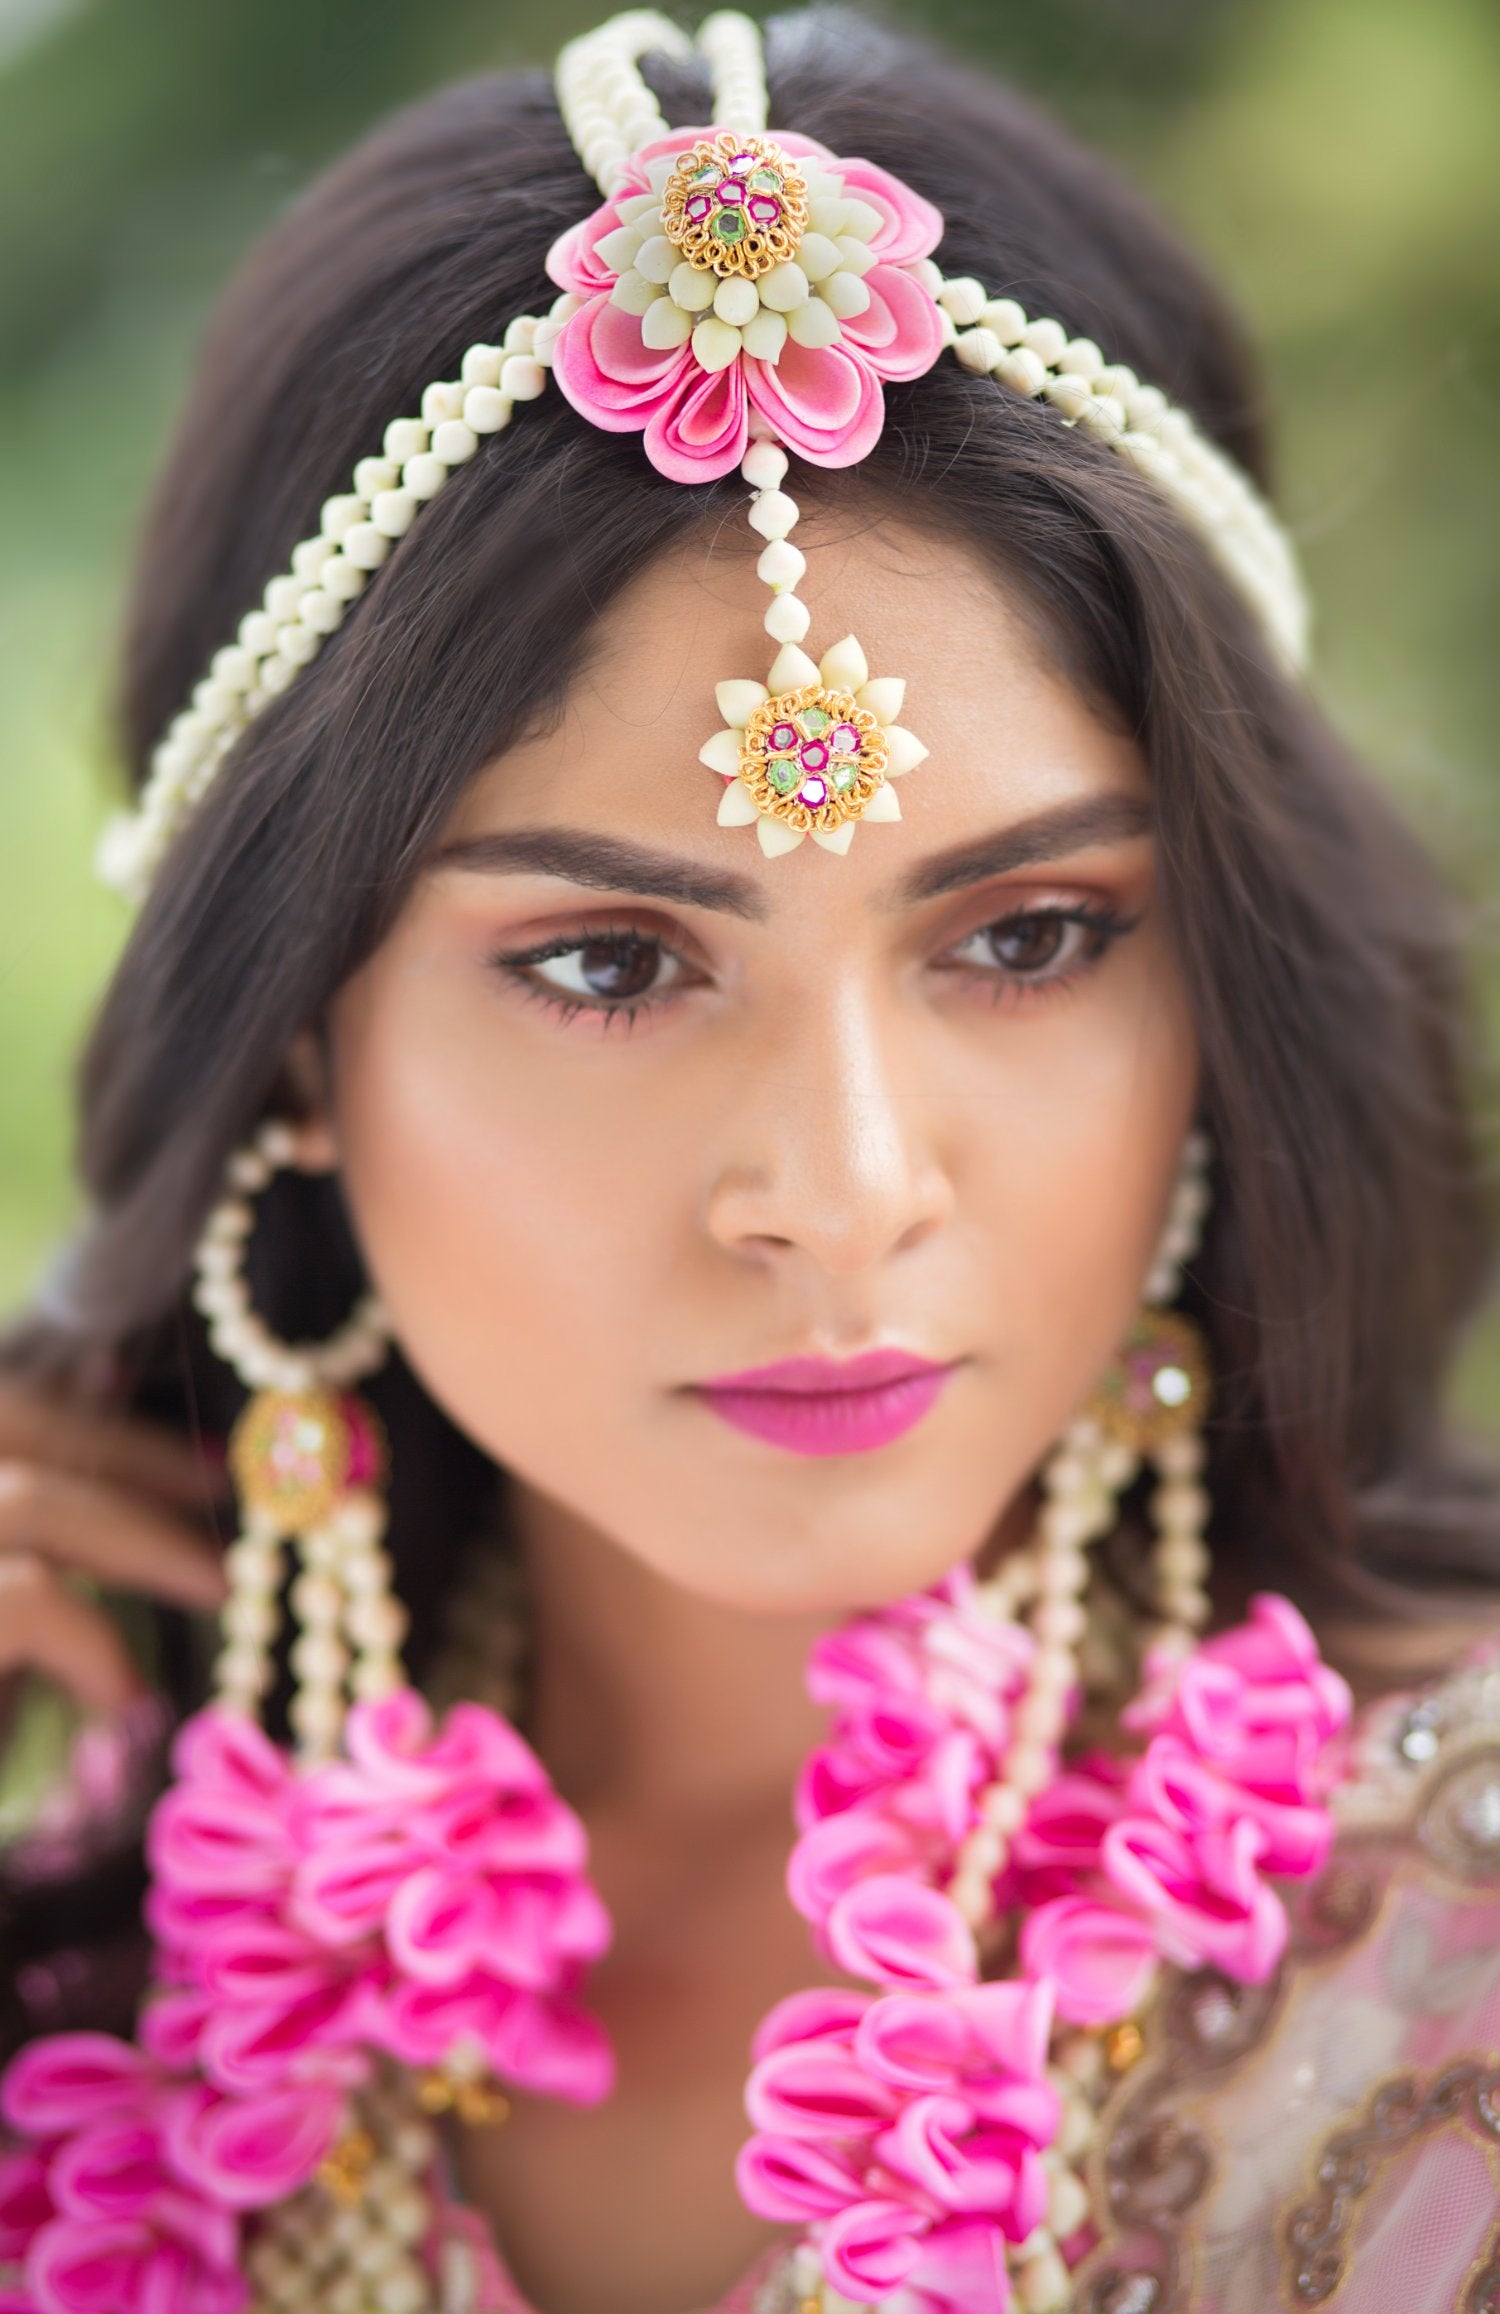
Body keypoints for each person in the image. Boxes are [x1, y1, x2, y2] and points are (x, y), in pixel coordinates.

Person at [0, 10, 1496, 2312]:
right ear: (289, 1035)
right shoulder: (102, 1963)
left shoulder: (1448, 1942)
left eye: (1029, 934)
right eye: (610, 962)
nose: (844, 1185)